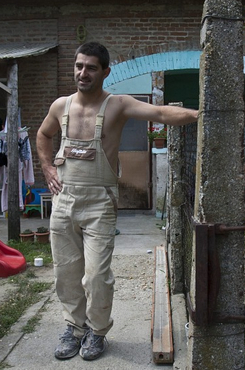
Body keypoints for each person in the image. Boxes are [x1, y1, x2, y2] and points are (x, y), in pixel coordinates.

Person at [36, 41, 198, 361]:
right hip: (64, 198)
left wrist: (199, 114)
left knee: (96, 273)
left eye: (91, 67)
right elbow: (43, 135)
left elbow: (162, 112)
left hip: (99, 202)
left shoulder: (118, 105)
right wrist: (45, 168)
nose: (83, 73)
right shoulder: (60, 106)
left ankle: (97, 332)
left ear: (105, 72)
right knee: (66, 272)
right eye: (79, 66)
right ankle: (74, 326)